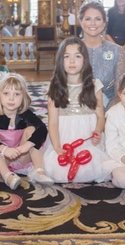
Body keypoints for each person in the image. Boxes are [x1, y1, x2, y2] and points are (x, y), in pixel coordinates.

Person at [42, 37, 116, 183]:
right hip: (63, 138)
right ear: (60, 61)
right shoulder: (55, 87)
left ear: (85, 60)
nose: (72, 61)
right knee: (57, 169)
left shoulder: (95, 86)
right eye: (66, 57)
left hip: (87, 138)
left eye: (77, 56)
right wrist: (57, 147)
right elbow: (53, 122)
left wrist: (98, 131)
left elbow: (101, 116)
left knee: (93, 166)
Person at [0, 72, 52, 189]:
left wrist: (25, 147)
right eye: (6, 93)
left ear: (23, 97)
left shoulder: (25, 114)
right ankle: (7, 175)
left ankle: (39, 171)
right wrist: (5, 149)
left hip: (21, 156)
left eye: (17, 94)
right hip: (2, 159)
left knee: (32, 130)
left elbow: (42, 129)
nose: (11, 98)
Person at [79, 0, 125, 105]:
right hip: (77, 109)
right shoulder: (71, 50)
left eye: (98, 19)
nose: (93, 23)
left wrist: (107, 115)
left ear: (104, 22)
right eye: (88, 19)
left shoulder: (117, 51)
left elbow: (122, 91)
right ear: (81, 21)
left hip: (110, 110)